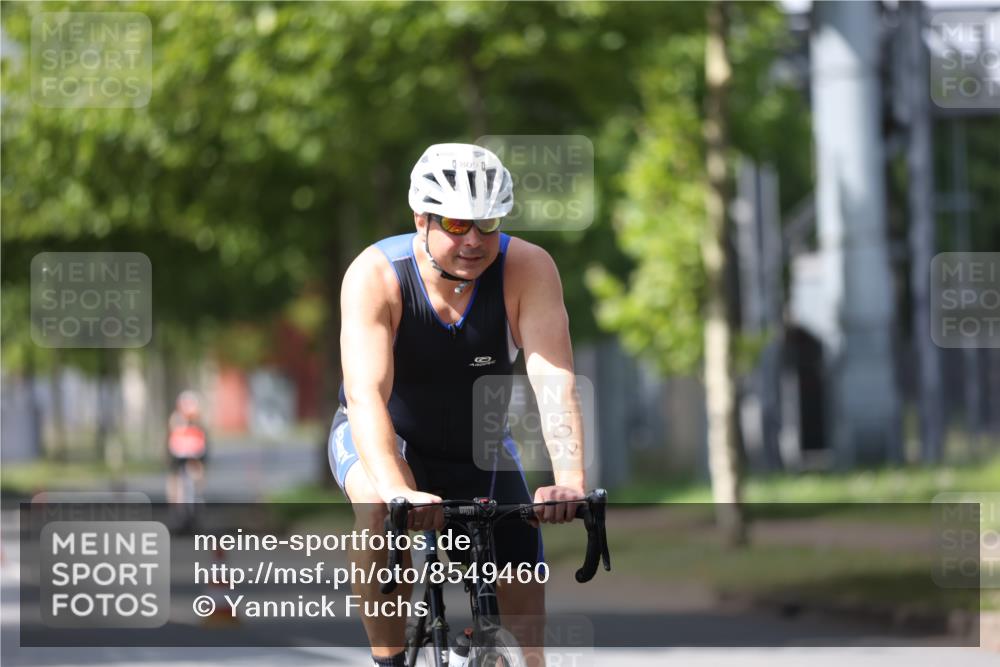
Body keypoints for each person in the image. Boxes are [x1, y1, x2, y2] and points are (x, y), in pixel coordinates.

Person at [329, 143, 587, 667]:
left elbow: (552, 378)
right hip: (383, 435)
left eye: (487, 224)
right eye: (455, 223)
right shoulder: (376, 275)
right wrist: (399, 488)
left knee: (524, 618)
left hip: (478, 445)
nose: (473, 240)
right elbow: (366, 395)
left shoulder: (528, 268)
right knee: (379, 511)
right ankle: (391, 660)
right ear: (421, 219)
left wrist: (570, 478)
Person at [166, 390, 209, 504]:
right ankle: (174, 501)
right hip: (178, 456)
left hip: (195, 455)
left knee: (198, 472)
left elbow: (204, 443)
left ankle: (199, 495)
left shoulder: (199, 423)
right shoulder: (175, 420)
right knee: (174, 476)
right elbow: (170, 442)